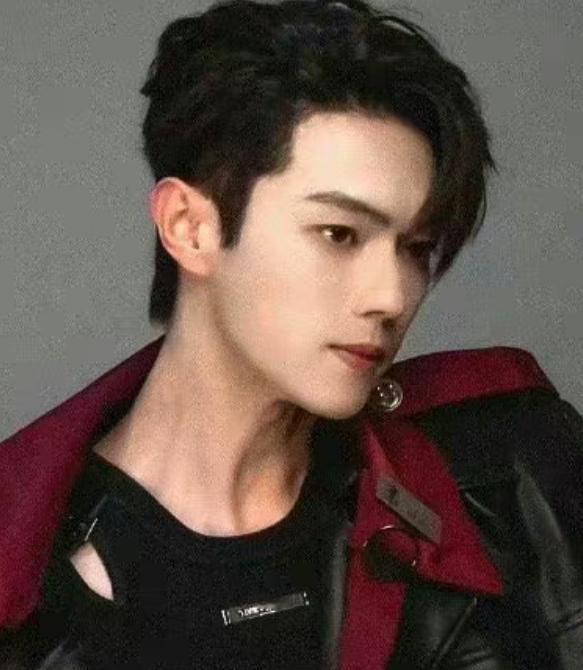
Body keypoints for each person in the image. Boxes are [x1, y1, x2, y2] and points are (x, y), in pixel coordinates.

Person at [1, 0, 582, 667]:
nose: (391, 297)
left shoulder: (512, 477)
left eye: (416, 248)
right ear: (190, 227)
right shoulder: (30, 584)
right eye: (339, 234)